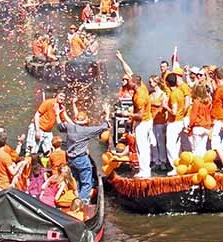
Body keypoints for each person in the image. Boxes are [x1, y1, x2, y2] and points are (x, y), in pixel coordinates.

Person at [56, 108, 108, 202]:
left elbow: (59, 126)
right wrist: (107, 114)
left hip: (71, 159)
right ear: (85, 122)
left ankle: (76, 197)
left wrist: (57, 114)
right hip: (82, 159)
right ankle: (82, 201)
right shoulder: (86, 131)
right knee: (86, 182)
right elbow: (104, 126)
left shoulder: (70, 127)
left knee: (76, 179)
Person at [115, 51, 152, 179]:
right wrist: (121, 59)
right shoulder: (140, 85)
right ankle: (144, 169)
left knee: (142, 146)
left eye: (130, 81)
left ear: (134, 83)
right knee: (141, 145)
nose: (128, 82)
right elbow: (129, 70)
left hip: (144, 122)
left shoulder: (140, 96)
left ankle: (144, 171)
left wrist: (127, 113)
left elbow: (140, 116)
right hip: (144, 121)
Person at [27, 90, 67, 155]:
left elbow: (63, 121)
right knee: (32, 151)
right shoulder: (48, 102)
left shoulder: (61, 108)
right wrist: (37, 131)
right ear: (56, 96)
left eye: (64, 97)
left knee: (51, 151)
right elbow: (37, 115)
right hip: (38, 127)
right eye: (61, 96)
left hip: (48, 131)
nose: (62, 98)